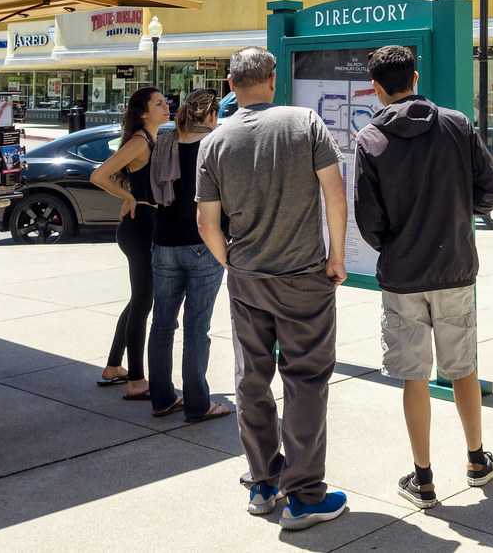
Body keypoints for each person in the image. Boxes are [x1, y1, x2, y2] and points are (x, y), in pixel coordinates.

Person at [196, 46, 349, 530]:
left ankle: (263, 482)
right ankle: (304, 496)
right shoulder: (305, 123)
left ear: (229, 82)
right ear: (273, 79)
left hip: (248, 279)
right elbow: (335, 191)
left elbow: (207, 223)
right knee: (305, 381)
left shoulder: (214, 142)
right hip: (305, 276)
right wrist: (337, 256)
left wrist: (232, 263)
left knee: (251, 378)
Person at [353, 45, 493, 510]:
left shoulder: (370, 139)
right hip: (455, 267)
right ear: (416, 78)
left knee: (413, 376)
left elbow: (368, 219)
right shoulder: (456, 125)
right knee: (462, 367)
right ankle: (477, 461)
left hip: (403, 274)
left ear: (377, 88)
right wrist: (463, 214)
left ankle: (422, 479)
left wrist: (398, 244)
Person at [146, 89, 230, 422]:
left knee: (162, 325)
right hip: (202, 244)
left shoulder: (165, 142)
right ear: (211, 116)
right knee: (197, 330)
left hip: (163, 242)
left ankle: (162, 399)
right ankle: (197, 405)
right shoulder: (216, 146)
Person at [90, 87, 171, 400]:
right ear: (143, 112)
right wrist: (129, 197)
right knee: (142, 303)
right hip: (139, 229)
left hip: (143, 227)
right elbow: (99, 175)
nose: (166, 106)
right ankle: (136, 380)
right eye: (159, 103)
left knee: (139, 300)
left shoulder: (153, 140)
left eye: (166, 102)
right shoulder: (139, 141)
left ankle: (114, 366)